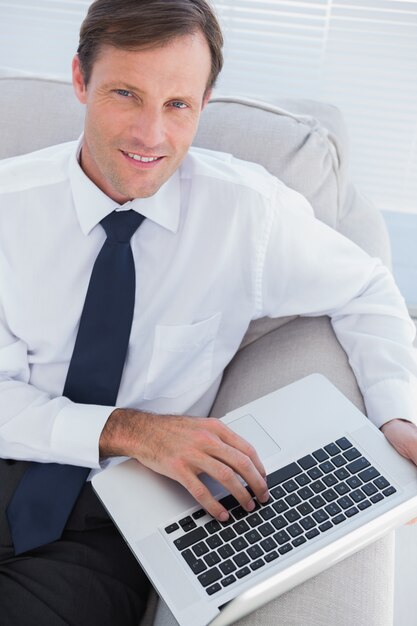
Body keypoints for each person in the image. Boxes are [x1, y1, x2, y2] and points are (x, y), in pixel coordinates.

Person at [0, 0, 416, 624]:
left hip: (102, 521)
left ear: (204, 102)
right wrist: (131, 429)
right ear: (81, 81)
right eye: (126, 94)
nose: (150, 135)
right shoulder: (9, 209)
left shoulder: (246, 216)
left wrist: (397, 414)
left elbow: (367, 289)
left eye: (177, 105)